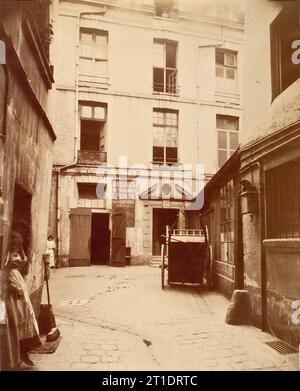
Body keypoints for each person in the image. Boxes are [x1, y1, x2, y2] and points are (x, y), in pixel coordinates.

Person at [4, 230, 41, 368]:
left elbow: (23, 262)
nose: (16, 247)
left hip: (19, 283)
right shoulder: (4, 253)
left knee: (25, 317)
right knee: (14, 320)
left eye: (18, 244)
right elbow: (4, 270)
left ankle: (23, 352)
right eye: (15, 244)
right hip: (10, 288)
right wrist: (12, 286)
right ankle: (15, 355)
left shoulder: (17, 250)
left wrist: (21, 250)